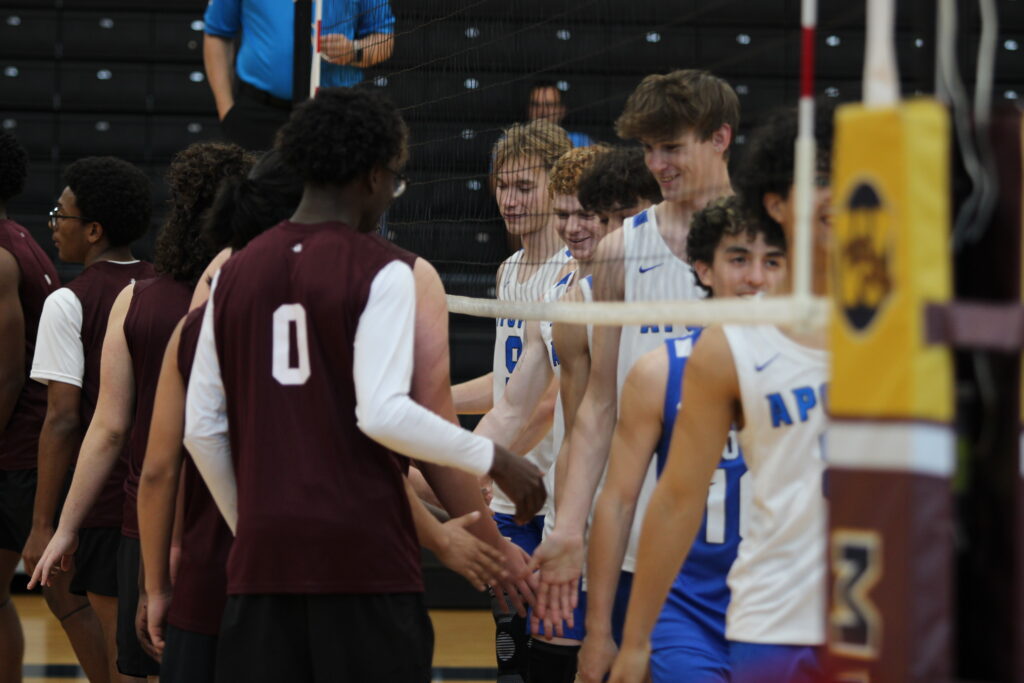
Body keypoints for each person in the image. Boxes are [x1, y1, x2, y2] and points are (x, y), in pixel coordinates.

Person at [182, 88, 545, 682]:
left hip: (260, 568)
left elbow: (201, 431)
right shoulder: (388, 270)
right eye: (395, 181)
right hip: (365, 564)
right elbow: (381, 413)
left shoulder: (230, 274)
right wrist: (496, 456)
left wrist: (250, 525)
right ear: (374, 176)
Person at [609, 107, 834, 683]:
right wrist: (633, 642)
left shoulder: (916, 328)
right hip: (774, 621)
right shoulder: (729, 347)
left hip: (881, 620)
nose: (837, 193)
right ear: (776, 203)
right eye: (820, 177)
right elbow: (678, 499)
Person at [28, 143, 253, 680]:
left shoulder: (137, 298)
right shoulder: (262, 297)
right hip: (234, 517)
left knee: (136, 668)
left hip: (146, 524)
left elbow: (106, 428)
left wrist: (64, 526)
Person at [531, 69, 739, 632]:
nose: (657, 164)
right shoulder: (621, 247)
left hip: (739, 545)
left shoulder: (764, 246)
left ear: (720, 138)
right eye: (649, 148)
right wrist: (569, 526)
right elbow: (597, 407)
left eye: (672, 147)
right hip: (634, 533)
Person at [578, 195, 787, 683]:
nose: (756, 277)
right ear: (704, 270)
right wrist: (599, 631)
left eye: (772, 261)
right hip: (686, 608)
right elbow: (617, 501)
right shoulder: (659, 372)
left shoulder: (815, 370)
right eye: (738, 259)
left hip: (782, 608)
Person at [471, 144, 606, 682]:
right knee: (525, 653)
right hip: (545, 502)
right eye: (564, 214)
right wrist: (470, 462)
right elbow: (514, 398)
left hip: (598, 501)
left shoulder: (621, 282)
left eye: (584, 214)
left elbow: (550, 406)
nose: (572, 228)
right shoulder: (530, 280)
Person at [25, 157, 156, 683]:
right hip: (160, 495)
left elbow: (61, 420)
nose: (53, 225)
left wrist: (44, 525)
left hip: (104, 504)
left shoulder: (69, 301)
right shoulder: (164, 284)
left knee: (123, 656)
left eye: (62, 214)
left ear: (94, 230)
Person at [453, 119, 572, 682]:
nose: (509, 199)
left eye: (525, 187)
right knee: (509, 638)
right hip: (509, 490)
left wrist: (489, 467)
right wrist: (432, 404)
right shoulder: (509, 270)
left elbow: (548, 400)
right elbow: (508, 385)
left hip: (550, 491)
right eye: (502, 186)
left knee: (549, 644)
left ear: (558, 187)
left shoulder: (569, 273)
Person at [0, 130, 93, 683]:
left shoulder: (3, 254)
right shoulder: (22, 238)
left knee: (67, 598)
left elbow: (8, 374)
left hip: (23, 455)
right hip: (19, 451)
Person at [203, 0, 395, 150]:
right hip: (259, 113)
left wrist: (355, 51)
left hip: (337, 115)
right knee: (255, 197)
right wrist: (226, 111)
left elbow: (385, 39)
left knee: (331, 198)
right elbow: (216, 33)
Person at [527, 82, 594, 148]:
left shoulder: (581, 142)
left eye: (549, 105)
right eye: (536, 105)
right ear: (528, 108)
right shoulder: (519, 142)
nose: (542, 111)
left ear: (562, 110)